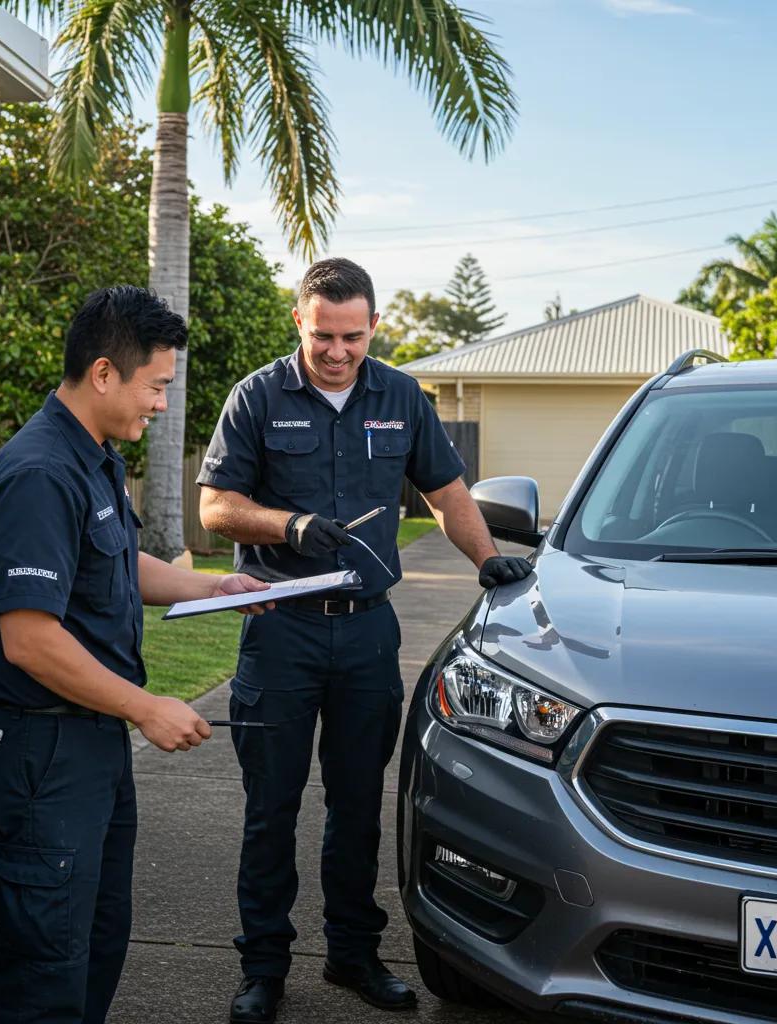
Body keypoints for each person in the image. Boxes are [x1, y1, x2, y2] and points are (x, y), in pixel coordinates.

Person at [198, 258, 532, 1024]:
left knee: (357, 806)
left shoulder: (401, 395)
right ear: (299, 323)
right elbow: (216, 508)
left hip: (366, 635)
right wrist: (289, 525)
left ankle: (353, 954)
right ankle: (263, 968)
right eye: (323, 335)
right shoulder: (257, 396)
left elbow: (447, 494)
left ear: (374, 326)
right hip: (280, 633)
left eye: (352, 335)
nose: (338, 351)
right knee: (270, 809)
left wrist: (488, 559)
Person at [0, 286, 271, 1024]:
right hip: (45, 752)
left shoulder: (93, 456)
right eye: (157, 385)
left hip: (89, 745)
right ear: (104, 373)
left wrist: (217, 585)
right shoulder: (41, 473)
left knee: (95, 944)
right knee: (46, 973)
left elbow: (121, 561)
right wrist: (146, 707)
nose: (163, 405)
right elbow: (29, 639)